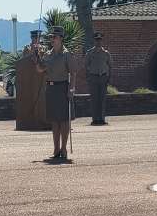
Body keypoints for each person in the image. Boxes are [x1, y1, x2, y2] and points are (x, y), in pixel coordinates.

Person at [36, 26, 76, 160]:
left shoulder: (66, 54)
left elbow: (73, 73)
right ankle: (56, 149)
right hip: (51, 88)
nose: (52, 39)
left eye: (54, 37)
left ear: (61, 39)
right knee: (54, 121)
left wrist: (71, 89)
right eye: (51, 37)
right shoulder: (47, 54)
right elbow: (40, 70)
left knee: (64, 120)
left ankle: (64, 149)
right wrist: (36, 56)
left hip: (63, 87)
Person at [85, 32, 112, 125]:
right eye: (97, 40)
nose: (98, 42)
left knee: (102, 99)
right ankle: (95, 119)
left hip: (103, 77)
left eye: (100, 40)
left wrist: (109, 77)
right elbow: (86, 66)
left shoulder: (106, 53)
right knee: (94, 99)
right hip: (93, 77)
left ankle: (102, 119)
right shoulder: (89, 53)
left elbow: (110, 66)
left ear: (102, 41)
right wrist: (88, 78)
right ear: (94, 41)